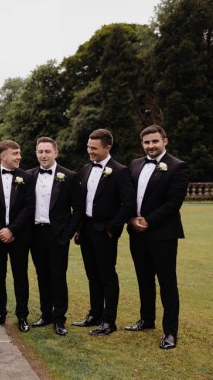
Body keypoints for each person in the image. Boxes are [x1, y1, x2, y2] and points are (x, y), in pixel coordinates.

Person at [125, 125, 189, 349]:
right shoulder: (134, 164)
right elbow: (128, 197)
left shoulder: (178, 167)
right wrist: (132, 219)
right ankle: (147, 319)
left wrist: (148, 221)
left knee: (167, 283)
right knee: (144, 279)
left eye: (155, 141)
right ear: (142, 143)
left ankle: (170, 332)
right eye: (146, 142)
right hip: (136, 232)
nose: (150, 146)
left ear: (165, 141)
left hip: (162, 234)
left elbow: (173, 203)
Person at [72, 129, 134, 336]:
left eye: (94, 148)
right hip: (86, 230)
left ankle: (109, 321)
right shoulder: (85, 169)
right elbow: (81, 203)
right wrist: (79, 229)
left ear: (108, 147)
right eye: (89, 147)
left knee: (107, 276)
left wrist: (112, 229)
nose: (90, 151)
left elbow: (127, 204)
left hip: (105, 232)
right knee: (92, 275)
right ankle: (94, 314)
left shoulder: (120, 171)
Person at [28, 137, 82, 336]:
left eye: (47, 151)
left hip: (57, 235)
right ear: (36, 153)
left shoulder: (69, 176)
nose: (43, 155)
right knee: (42, 276)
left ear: (55, 153)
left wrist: (67, 234)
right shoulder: (29, 176)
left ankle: (60, 318)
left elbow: (78, 209)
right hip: (35, 234)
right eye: (40, 151)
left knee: (58, 277)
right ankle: (45, 314)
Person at [0, 140, 34, 333]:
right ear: (3, 156)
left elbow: (29, 207)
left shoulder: (27, 178)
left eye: (19, 153)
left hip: (20, 236)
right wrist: (1, 230)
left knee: (20, 276)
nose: (19, 157)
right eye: (15, 153)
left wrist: (12, 230)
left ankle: (22, 315)